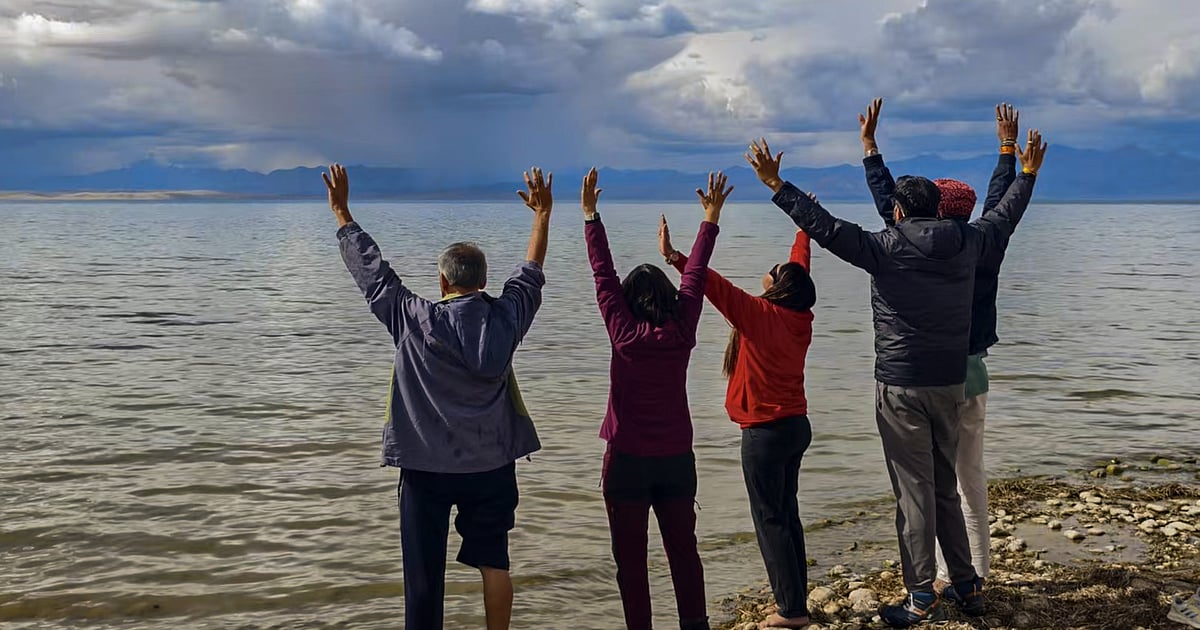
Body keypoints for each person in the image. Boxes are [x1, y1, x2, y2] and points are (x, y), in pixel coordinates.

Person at [745, 132, 1046, 628]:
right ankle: (967, 584)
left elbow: (825, 227)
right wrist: (1026, 172)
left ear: (899, 212)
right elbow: (1005, 213)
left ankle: (921, 594)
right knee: (943, 485)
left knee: (913, 493)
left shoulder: (884, 246)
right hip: (950, 382)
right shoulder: (970, 241)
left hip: (901, 385)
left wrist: (778, 185)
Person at [323, 163, 554, 630]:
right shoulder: (506, 319)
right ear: (483, 282)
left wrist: (342, 213)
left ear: (444, 283)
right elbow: (530, 274)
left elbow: (374, 275)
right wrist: (542, 216)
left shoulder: (413, 319)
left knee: (424, 579)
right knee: (495, 564)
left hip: (425, 467)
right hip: (491, 465)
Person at [858, 99, 1025, 604]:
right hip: (971, 373)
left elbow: (890, 207)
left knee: (929, 483)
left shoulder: (910, 247)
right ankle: (971, 575)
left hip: (930, 374)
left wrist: (870, 150)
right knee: (965, 478)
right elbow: (1000, 205)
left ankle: (940, 578)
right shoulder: (982, 242)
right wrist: (1008, 153)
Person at [582, 167, 731, 630]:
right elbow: (695, 277)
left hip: (626, 460)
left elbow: (603, 274)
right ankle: (695, 624)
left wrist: (591, 216)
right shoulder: (682, 329)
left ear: (627, 302)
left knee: (631, 563)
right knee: (684, 552)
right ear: (668, 298)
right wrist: (710, 218)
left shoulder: (623, 331)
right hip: (675, 460)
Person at [658, 209, 817, 629]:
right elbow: (800, 265)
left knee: (770, 520)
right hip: (796, 427)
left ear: (779, 286)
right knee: (787, 514)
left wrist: (675, 257)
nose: (772, 269)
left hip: (765, 433)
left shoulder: (758, 314)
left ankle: (791, 611)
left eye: (775, 270)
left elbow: (714, 285)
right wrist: (803, 230)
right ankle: (794, 601)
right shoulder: (800, 315)